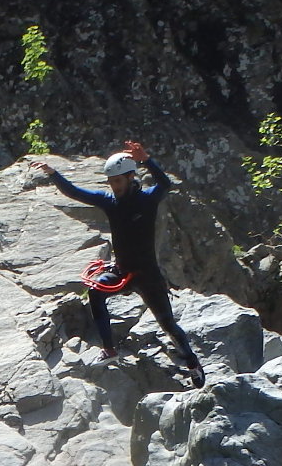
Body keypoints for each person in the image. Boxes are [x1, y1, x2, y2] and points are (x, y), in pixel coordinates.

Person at [32, 141, 205, 383]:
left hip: (148, 276)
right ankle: (109, 350)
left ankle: (193, 363)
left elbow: (165, 184)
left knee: (168, 325)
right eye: (111, 182)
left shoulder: (148, 199)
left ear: (131, 177)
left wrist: (147, 160)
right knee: (95, 291)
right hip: (122, 271)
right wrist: (54, 174)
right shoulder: (109, 201)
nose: (114, 186)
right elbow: (75, 193)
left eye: (118, 181)